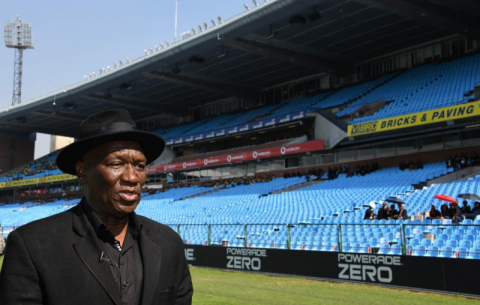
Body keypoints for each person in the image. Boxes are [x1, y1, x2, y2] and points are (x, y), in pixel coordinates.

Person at [0, 110, 193, 304]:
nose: (133, 177)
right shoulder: (32, 245)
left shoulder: (169, 244)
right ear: (82, 171)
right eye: (116, 164)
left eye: (140, 166)